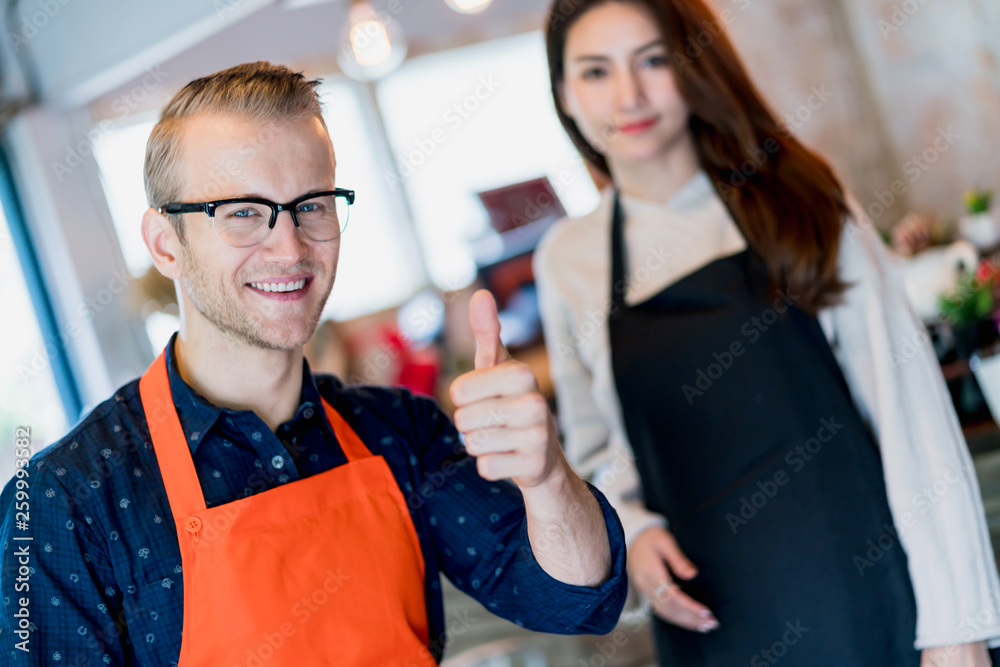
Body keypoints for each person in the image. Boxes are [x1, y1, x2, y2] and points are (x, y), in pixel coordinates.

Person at [0, 62, 627, 666]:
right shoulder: (66, 503)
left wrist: (546, 480)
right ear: (167, 243)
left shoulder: (400, 433)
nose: (290, 245)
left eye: (313, 204)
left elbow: (575, 603)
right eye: (243, 212)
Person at [534, 0, 1000, 665]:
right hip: (715, 629)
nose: (628, 95)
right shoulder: (569, 260)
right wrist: (632, 532)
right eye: (596, 71)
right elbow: (596, 454)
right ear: (565, 95)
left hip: (875, 601)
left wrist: (958, 632)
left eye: (654, 61)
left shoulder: (797, 197)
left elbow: (910, 416)